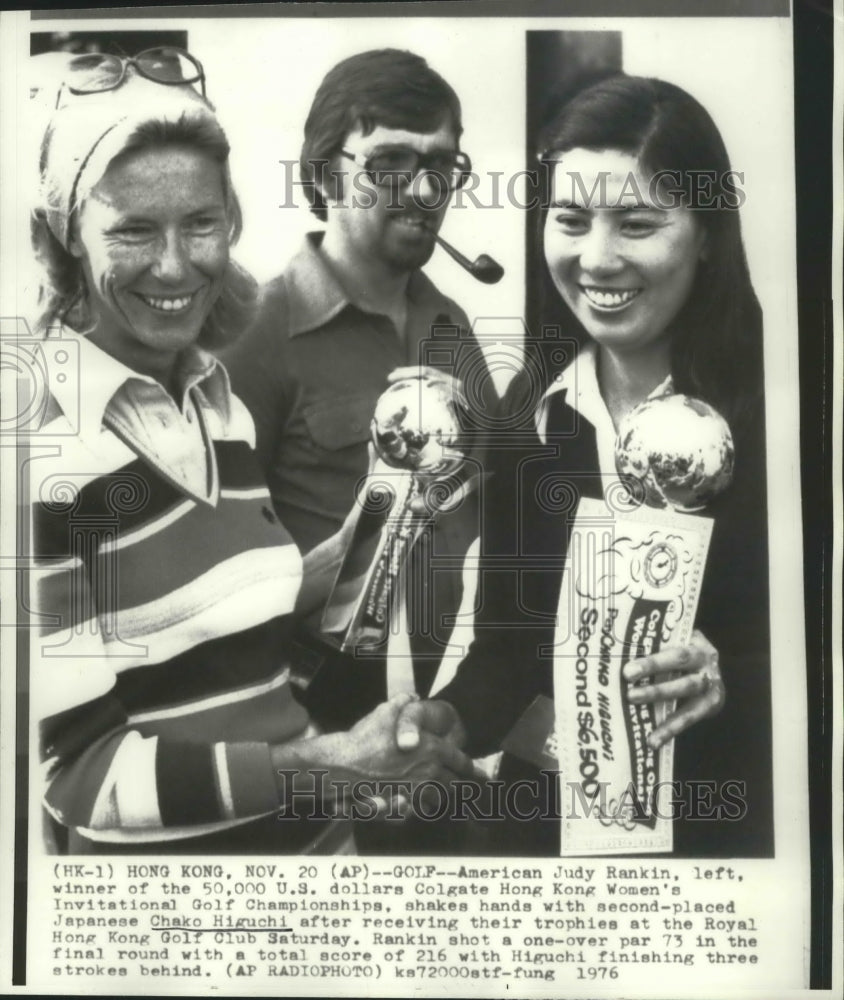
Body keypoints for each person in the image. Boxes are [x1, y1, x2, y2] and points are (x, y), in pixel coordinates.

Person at [29, 48, 477, 854]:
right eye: (133, 228)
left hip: (319, 860)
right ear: (61, 240)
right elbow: (75, 777)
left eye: (201, 223)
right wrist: (334, 764)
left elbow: (236, 623)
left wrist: (364, 545)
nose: (176, 265)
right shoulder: (36, 446)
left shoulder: (211, 397)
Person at [398, 74, 773, 857]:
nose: (596, 259)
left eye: (637, 223)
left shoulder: (783, 412)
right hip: (544, 842)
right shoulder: (527, 413)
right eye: (570, 220)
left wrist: (734, 677)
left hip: (730, 841)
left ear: (706, 233)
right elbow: (508, 650)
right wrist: (449, 720)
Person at [223, 48, 493, 702]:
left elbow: (495, 522)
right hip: (304, 704)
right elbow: (211, 580)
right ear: (325, 172)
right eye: (392, 163)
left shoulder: (454, 329)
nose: (427, 193)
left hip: (439, 699)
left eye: (441, 165)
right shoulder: (253, 331)